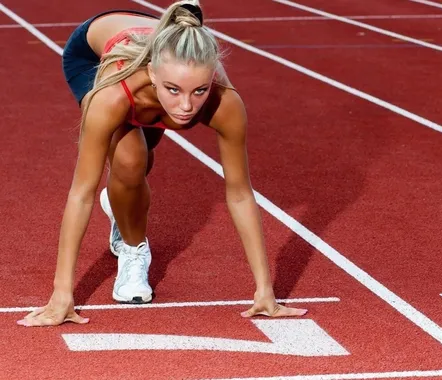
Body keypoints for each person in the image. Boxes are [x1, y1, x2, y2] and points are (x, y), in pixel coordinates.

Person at [17, 0, 307, 327]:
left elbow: (240, 193)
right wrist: (61, 295)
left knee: (141, 163)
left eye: (199, 90)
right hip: (92, 53)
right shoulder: (112, 97)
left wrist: (264, 291)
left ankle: (120, 203)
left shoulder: (224, 103)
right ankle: (133, 248)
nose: (186, 106)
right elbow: (81, 193)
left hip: (154, 50)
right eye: (174, 90)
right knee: (130, 159)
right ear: (154, 74)